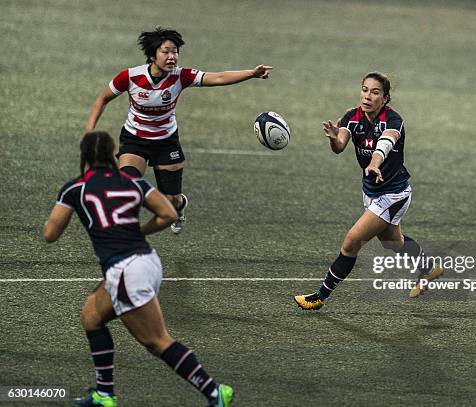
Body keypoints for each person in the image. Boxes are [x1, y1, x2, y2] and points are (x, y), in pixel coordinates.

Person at [43, 132, 233, 406]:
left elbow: (50, 234)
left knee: (157, 341)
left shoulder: (76, 188)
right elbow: (169, 213)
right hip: (148, 261)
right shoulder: (132, 182)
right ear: (114, 156)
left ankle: (214, 392)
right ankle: (104, 394)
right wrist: (139, 230)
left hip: (125, 270)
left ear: (84, 157)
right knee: (91, 316)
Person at [85, 27, 272, 234]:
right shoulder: (129, 77)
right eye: (165, 52)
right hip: (134, 139)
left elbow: (218, 77)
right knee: (127, 186)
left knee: (171, 201)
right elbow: (102, 99)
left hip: (166, 141)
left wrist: (251, 74)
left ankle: (180, 205)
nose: (172, 56)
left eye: (175, 52)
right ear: (152, 56)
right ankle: (126, 233)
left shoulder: (181, 76)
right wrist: (89, 132)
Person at [294, 72, 442, 310]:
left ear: (385, 98)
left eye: (375, 92)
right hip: (371, 191)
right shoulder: (352, 117)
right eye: (364, 90)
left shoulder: (394, 121)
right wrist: (334, 138)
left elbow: (385, 143)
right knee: (392, 242)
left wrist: (374, 163)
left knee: (352, 241)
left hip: (394, 194)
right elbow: (340, 146)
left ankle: (319, 296)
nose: (367, 96)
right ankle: (429, 266)